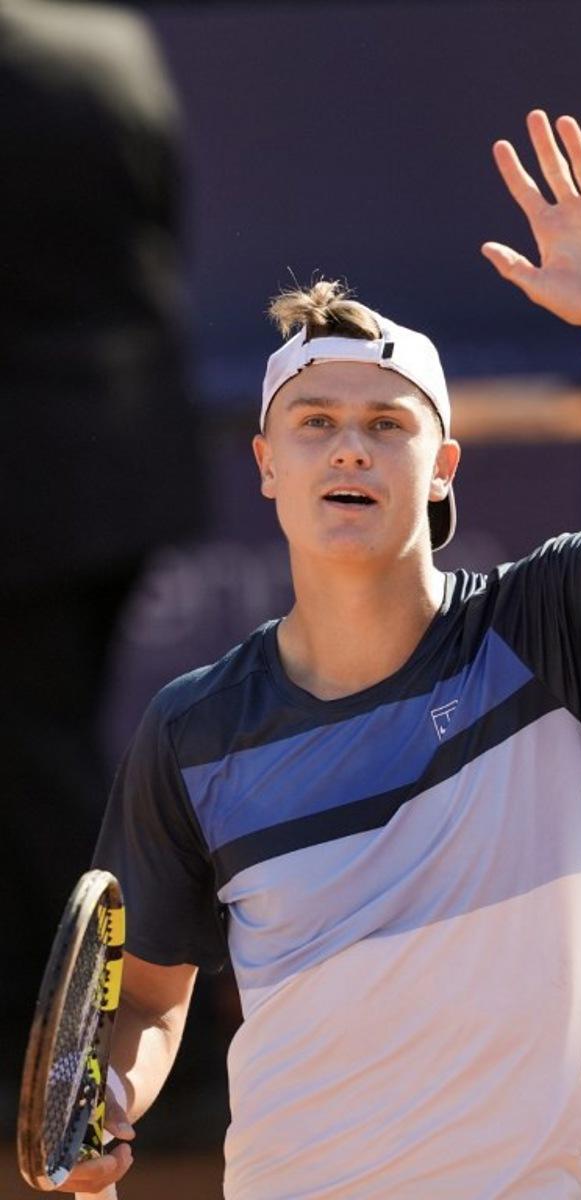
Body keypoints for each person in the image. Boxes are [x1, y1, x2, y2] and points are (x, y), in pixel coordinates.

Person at [70, 110, 581, 1198]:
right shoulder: (192, 729)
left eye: (385, 425)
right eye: (314, 422)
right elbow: (152, 998)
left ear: (439, 465)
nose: (349, 442)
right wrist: (106, 1097)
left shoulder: (547, 629)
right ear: (265, 463)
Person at [0, 0, 202, 1124]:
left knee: (41, 782)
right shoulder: (109, 44)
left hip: (29, 487)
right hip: (126, 456)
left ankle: (142, 1071)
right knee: (41, 766)